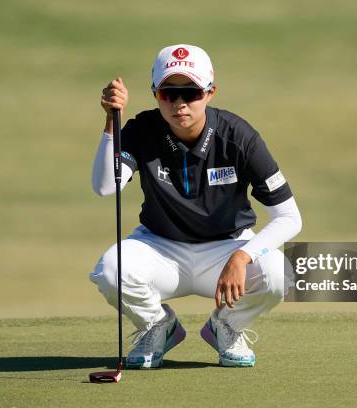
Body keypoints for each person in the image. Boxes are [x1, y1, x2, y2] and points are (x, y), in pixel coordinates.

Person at [89, 44, 302, 368]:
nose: (179, 103)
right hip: (160, 247)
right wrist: (111, 123)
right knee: (112, 270)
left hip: (226, 248)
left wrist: (242, 256)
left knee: (278, 273)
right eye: (167, 94)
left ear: (210, 92)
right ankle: (157, 326)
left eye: (190, 92)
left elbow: (289, 217)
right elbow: (106, 186)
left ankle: (226, 327)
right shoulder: (141, 129)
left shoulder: (238, 137)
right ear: (155, 93)